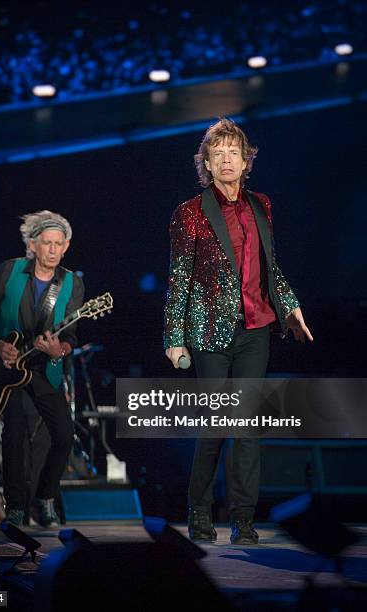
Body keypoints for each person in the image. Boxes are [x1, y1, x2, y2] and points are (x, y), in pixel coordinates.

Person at [164, 117, 313, 545]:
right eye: (219, 154)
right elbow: (179, 277)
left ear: (247, 161)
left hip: (257, 328)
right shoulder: (189, 213)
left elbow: (270, 264)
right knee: (214, 425)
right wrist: (174, 337)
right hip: (210, 333)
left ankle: (243, 520)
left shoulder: (261, 205)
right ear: (206, 164)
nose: (227, 160)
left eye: (235, 153)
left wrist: (291, 306)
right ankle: (199, 510)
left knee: (247, 427)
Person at [0, 210, 84, 527]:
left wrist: (57, 350)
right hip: (7, 369)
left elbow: (70, 338)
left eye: (58, 244)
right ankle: (17, 507)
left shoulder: (70, 283)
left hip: (45, 370)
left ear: (66, 247)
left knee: (64, 435)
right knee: (16, 432)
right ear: (33, 245)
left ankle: (46, 496)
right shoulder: (9, 271)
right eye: (46, 243)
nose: (52, 249)